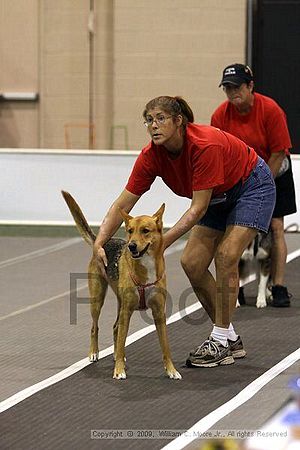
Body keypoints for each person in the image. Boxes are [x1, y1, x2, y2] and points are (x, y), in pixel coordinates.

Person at [94, 95, 276, 368]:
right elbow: (123, 203)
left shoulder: (204, 146)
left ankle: (218, 339)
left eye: (160, 118)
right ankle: (229, 338)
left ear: (179, 121)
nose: (153, 125)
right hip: (218, 195)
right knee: (191, 263)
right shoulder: (151, 156)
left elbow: (198, 209)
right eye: (149, 120)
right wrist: (99, 241)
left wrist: (162, 241)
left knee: (226, 256)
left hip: (251, 186)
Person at [211, 63, 297, 307]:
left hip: (275, 169)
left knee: (276, 226)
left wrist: (261, 185)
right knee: (233, 227)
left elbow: (279, 151)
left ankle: (278, 286)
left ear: (250, 86)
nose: (232, 92)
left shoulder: (270, 110)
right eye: (227, 88)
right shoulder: (220, 115)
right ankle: (234, 285)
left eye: (237, 87)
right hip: (240, 176)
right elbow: (219, 152)